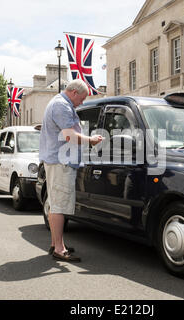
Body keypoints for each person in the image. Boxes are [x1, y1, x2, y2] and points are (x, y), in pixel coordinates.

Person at [40, 79, 103, 262]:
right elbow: (69, 135)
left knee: (55, 204)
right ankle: (60, 249)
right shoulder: (62, 106)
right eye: (82, 99)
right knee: (59, 205)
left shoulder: (58, 103)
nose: (82, 103)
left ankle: (56, 244)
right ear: (74, 92)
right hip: (62, 162)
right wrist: (91, 140)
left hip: (56, 160)